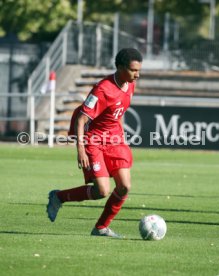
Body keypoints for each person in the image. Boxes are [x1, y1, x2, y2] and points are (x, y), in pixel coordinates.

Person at [46, 48, 143, 238]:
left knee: (124, 186)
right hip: (94, 140)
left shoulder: (130, 84)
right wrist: (80, 150)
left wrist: (121, 138)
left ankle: (101, 228)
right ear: (121, 67)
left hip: (114, 139)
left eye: (139, 70)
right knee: (102, 191)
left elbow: (119, 114)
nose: (137, 75)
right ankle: (58, 197)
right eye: (133, 70)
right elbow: (81, 119)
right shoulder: (102, 90)